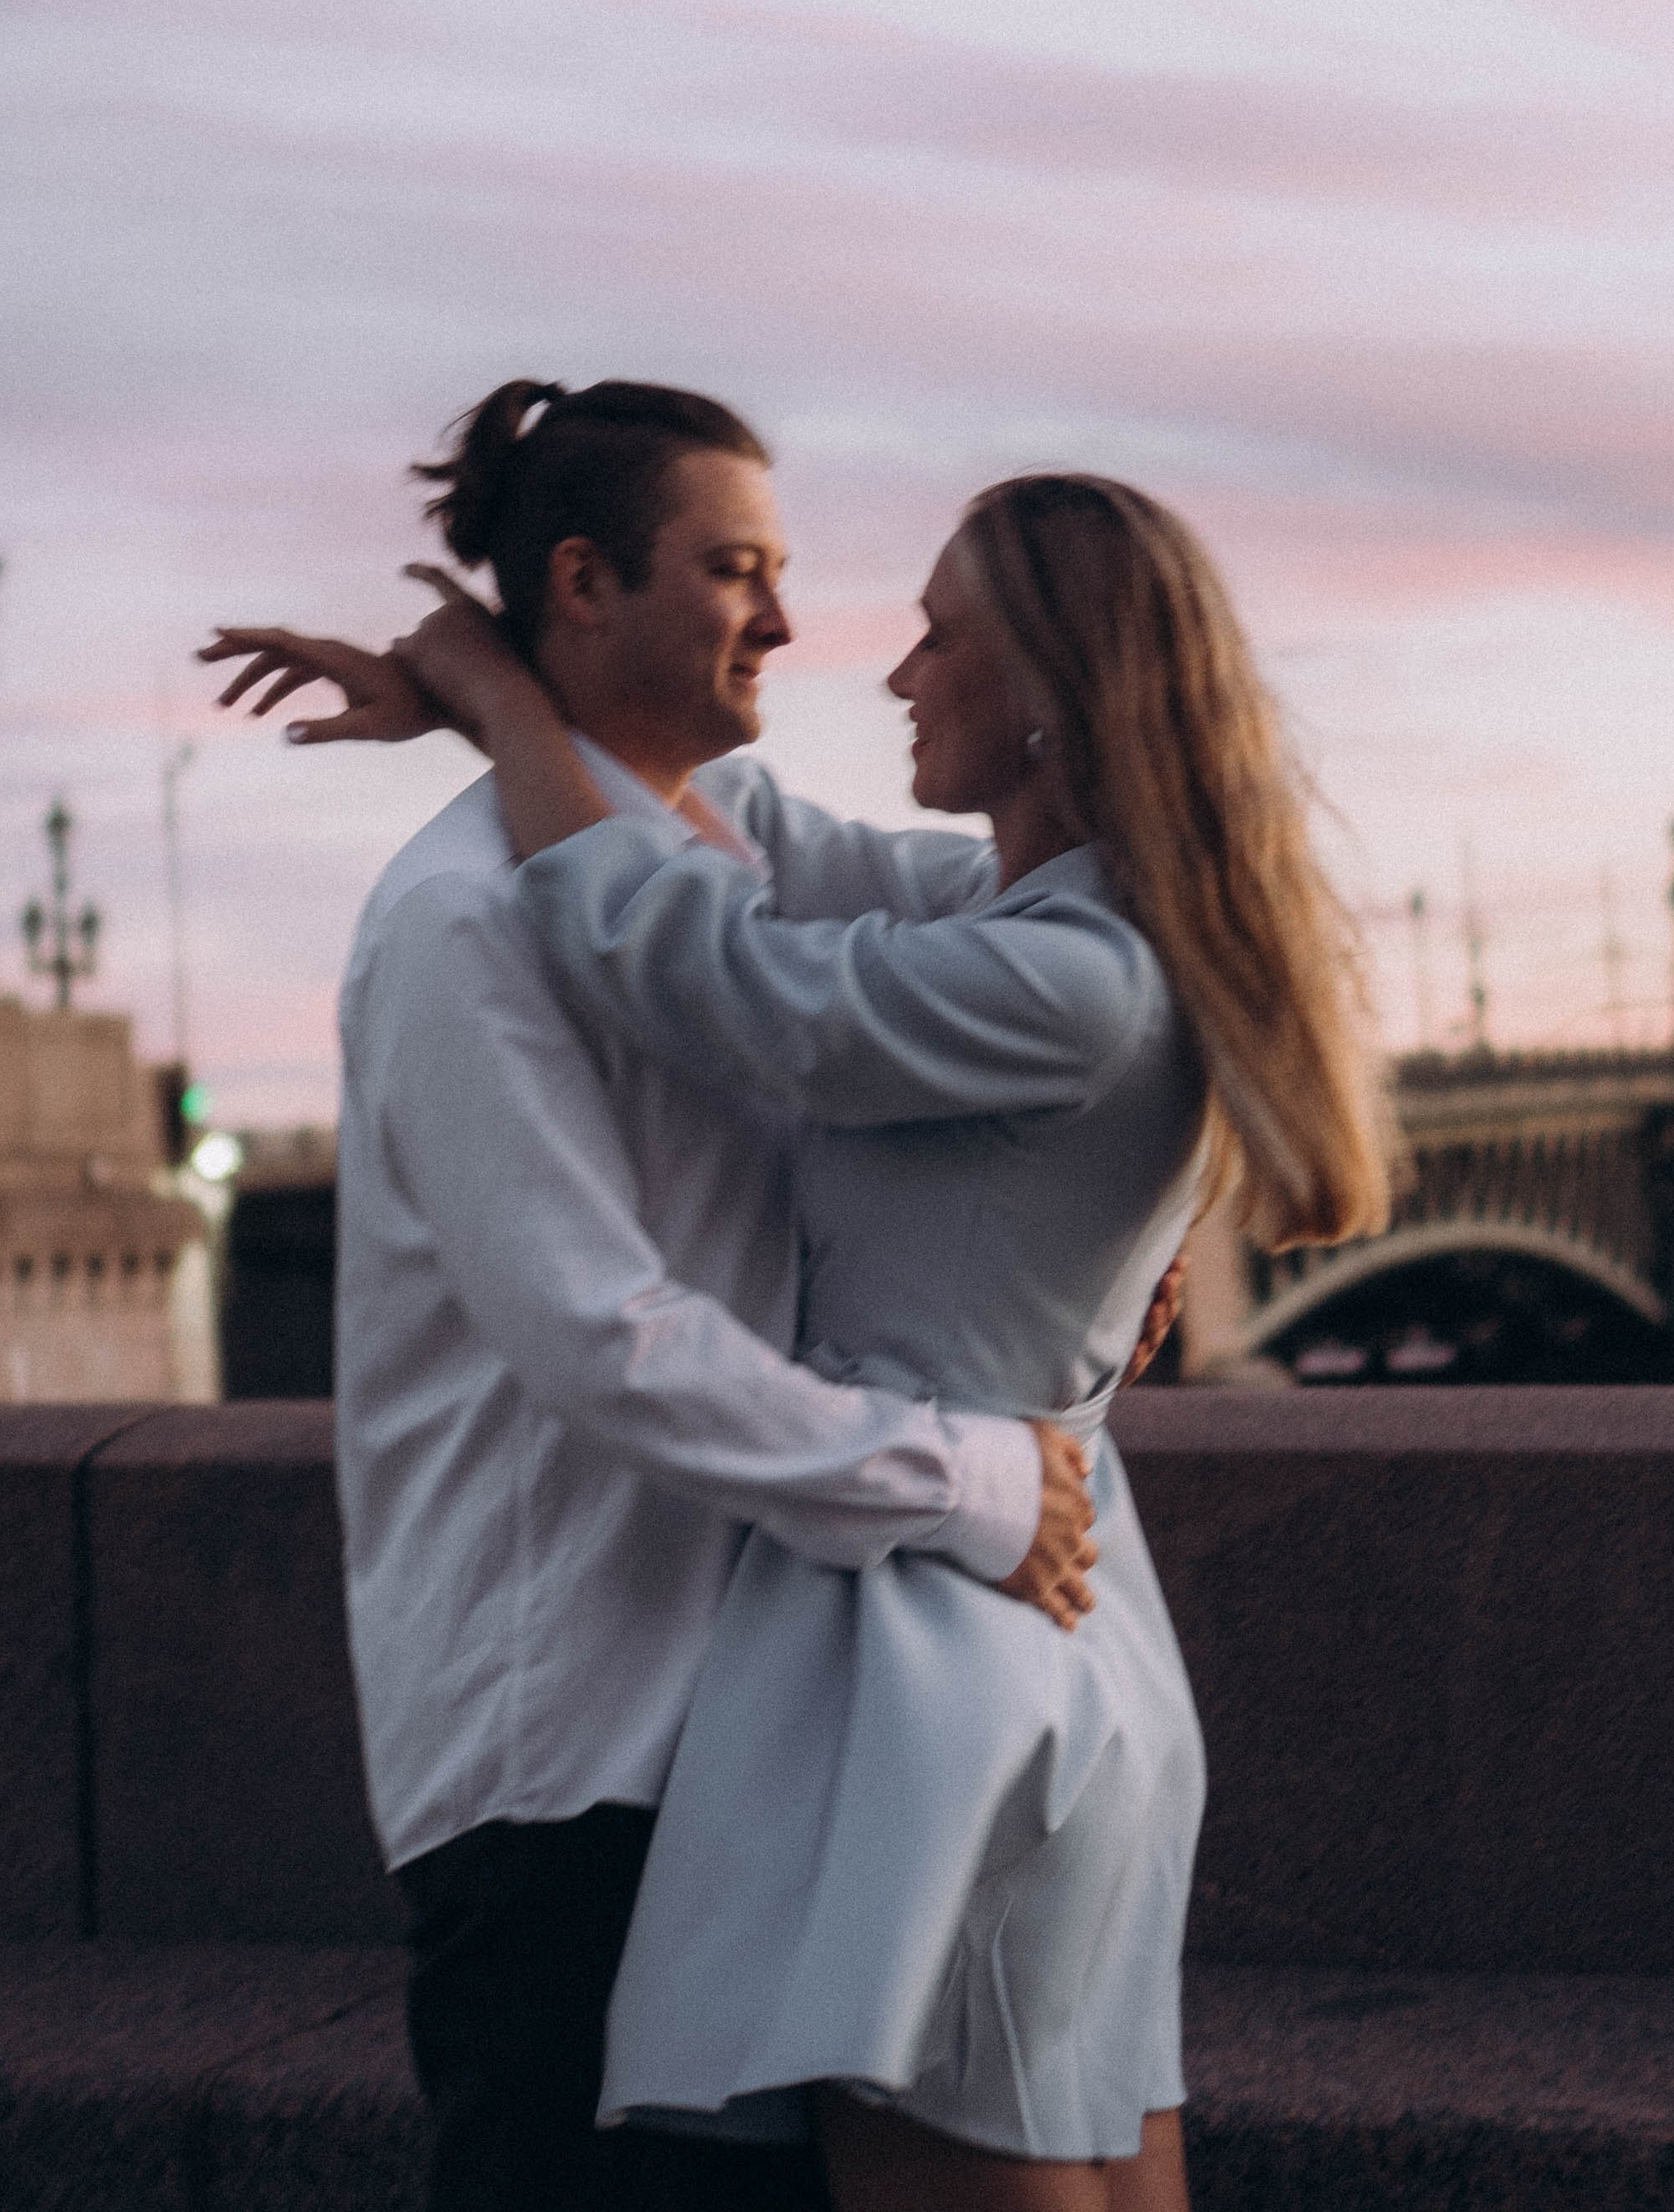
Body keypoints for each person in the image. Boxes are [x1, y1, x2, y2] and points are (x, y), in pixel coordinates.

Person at [377, 465, 1390, 2212]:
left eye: (940, 637)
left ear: (1052, 698)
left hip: (936, 1662)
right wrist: (553, 696)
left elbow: (680, 951)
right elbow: (769, 845)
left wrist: (488, 689)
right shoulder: (1057, 925)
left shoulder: (1067, 978)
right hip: (1048, 1623)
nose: (899, 672)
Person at [202, 382, 1136, 2212]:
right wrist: (978, 1486)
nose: (789, 624)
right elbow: (597, 1341)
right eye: (734, 572)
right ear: (583, 580)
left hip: (746, 1731)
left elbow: (1070, 932)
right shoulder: (458, 923)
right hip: (568, 1773)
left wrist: (1157, 1167)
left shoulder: (746, 842)